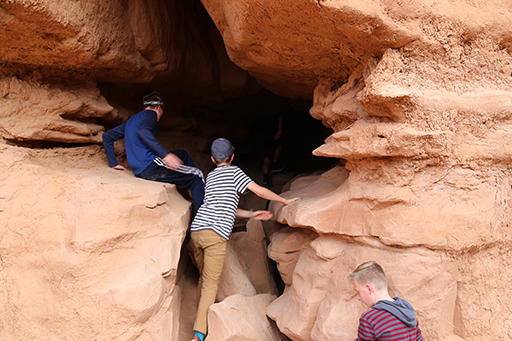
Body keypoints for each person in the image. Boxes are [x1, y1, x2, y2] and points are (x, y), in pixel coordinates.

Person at [188, 138, 302, 341]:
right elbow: (258, 190)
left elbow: (224, 207)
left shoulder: (211, 176)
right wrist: (284, 200)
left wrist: (251, 214)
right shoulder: (234, 172)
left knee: (203, 279)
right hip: (214, 235)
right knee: (210, 284)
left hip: (197, 230)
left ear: (213, 159)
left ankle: (199, 320)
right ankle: (199, 334)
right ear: (232, 157)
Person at [102, 91, 205, 211]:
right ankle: (204, 220)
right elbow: (143, 131)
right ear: (159, 107)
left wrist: (113, 163)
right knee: (197, 176)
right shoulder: (151, 114)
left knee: (183, 154)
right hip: (151, 166)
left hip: (139, 169)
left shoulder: (132, 120)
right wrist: (165, 155)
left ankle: (189, 189)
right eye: (163, 112)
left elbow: (107, 136)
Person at [349, 261, 423, 341]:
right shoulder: (408, 311)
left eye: (358, 292)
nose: (358, 297)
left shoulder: (369, 318)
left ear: (369, 289)